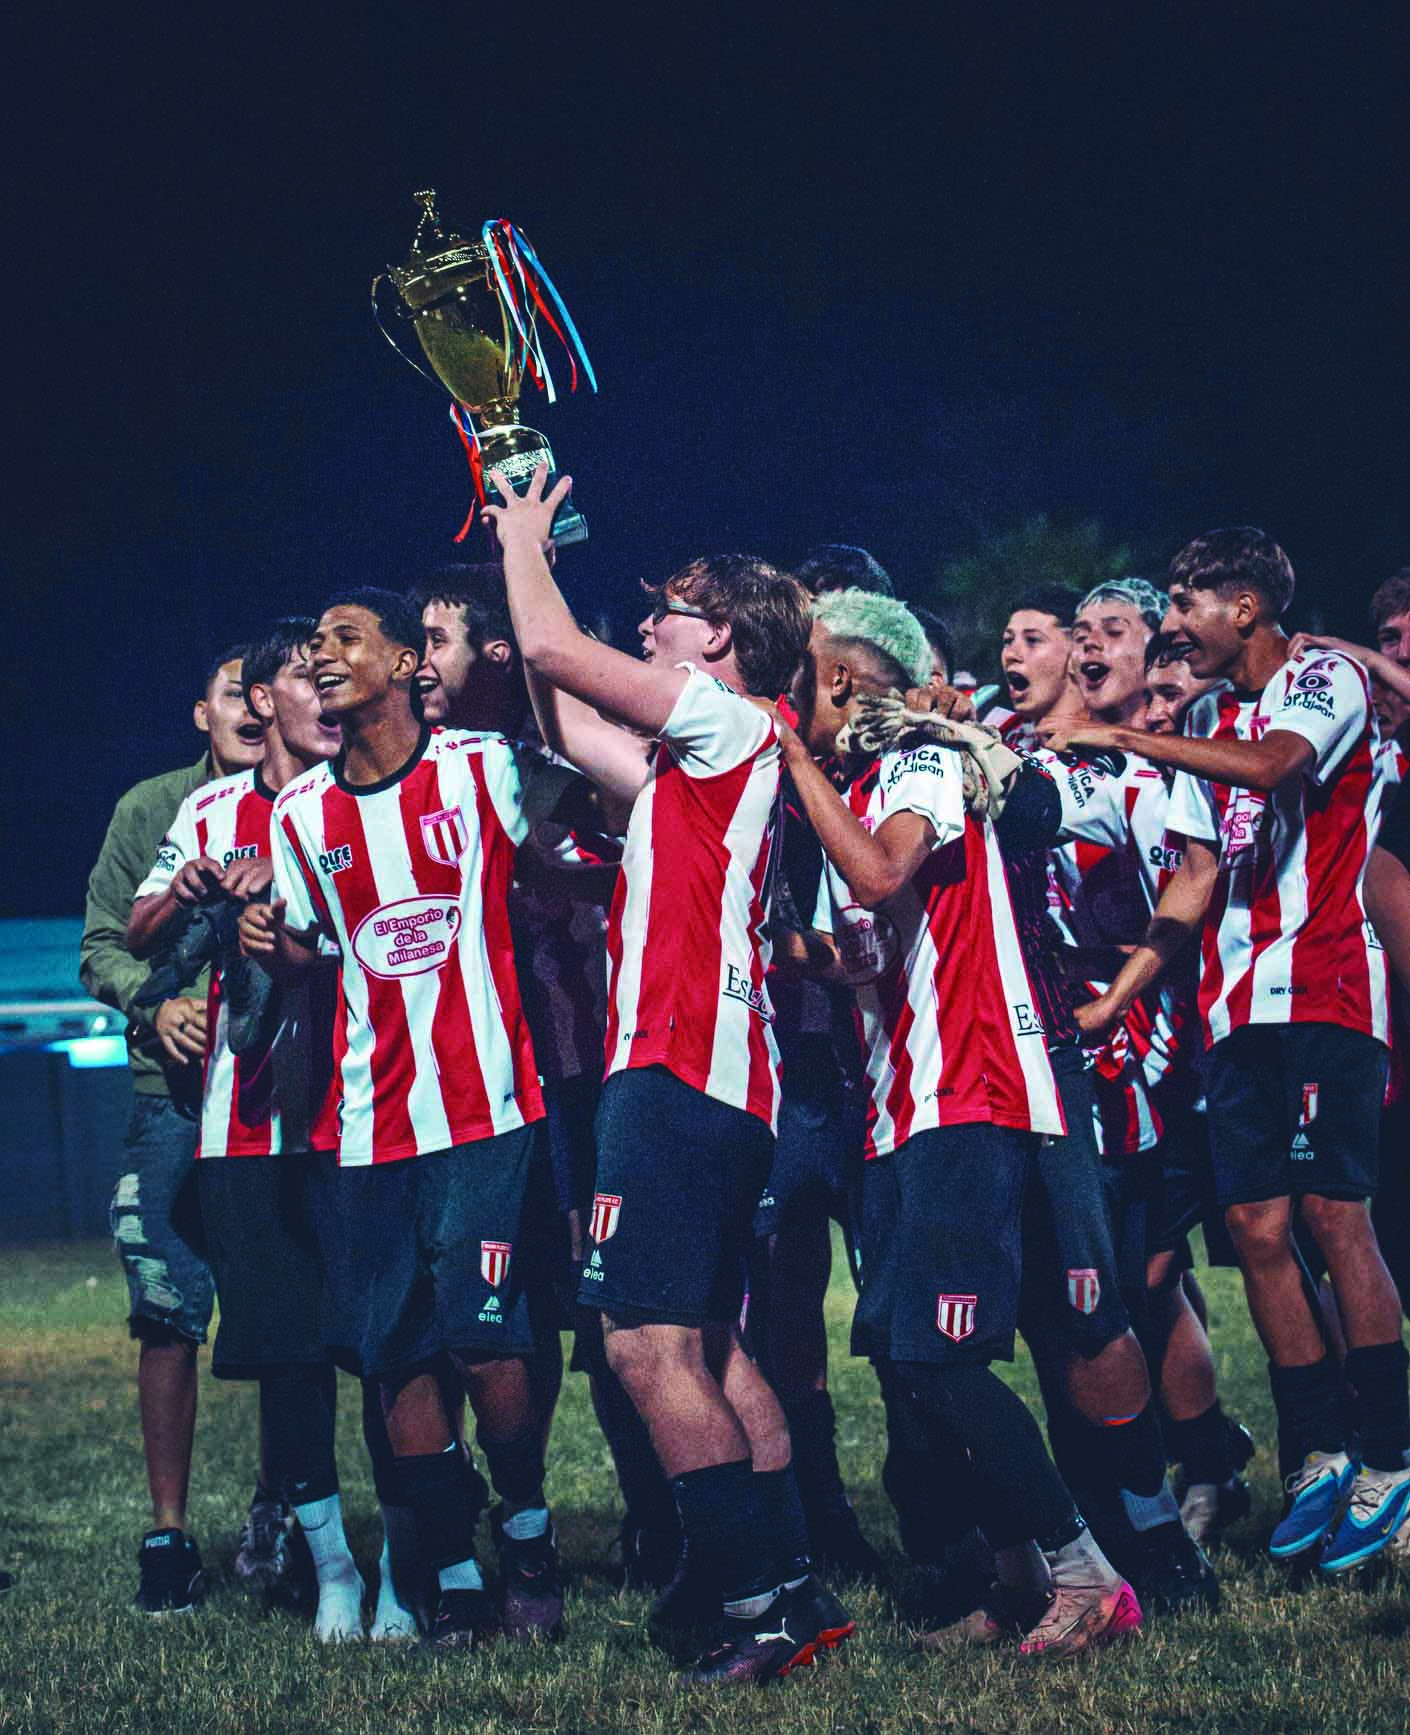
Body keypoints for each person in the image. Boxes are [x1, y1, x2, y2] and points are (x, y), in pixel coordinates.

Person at [487, 465, 852, 1686]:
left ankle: (756, 1605)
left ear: (730, 639)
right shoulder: (705, 762)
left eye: (675, 609)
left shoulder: (723, 715)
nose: (652, 625)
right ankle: (791, 1583)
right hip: (719, 1080)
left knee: (643, 1346)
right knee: (706, 1340)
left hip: (678, 1066)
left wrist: (524, 536)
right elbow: (563, 707)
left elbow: (552, 641)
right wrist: (536, 610)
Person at [780, 585, 1142, 1659]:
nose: (784, 697)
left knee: (943, 1357)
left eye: (796, 674)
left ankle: (1093, 1574)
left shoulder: (922, 757)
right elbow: (865, 944)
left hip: (970, 1088)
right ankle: (1016, 1579)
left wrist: (788, 764)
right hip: (904, 1101)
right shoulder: (860, 781)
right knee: (900, 1354)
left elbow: (886, 867)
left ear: (840, 677)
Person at [1049, 527, 1410, 1574]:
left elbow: (1275, 766)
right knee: (1254, 1225)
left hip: (1330, 987)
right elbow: (1196, 877)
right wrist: (1121, 992)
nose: (1172, 623)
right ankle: (1322, 1451)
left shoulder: (1321, 678)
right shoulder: (1212, 719)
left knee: (1334, 1217)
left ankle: (1388, 1451)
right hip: (1237, 1011)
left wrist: (1129, 742)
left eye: (1183, 600)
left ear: (1244, 604)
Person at [243, 586, 584, 1650]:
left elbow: (567, 850)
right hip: (367, 1130)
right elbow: (313, 946)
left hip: (488, 1110)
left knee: (488, 1343)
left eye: (347, 637)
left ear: (403, 662)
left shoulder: (479, 768)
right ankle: (453, 1574)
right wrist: (272, 940)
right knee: (399, 1360)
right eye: (315, 642)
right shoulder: (300, 815)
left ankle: (523, 1527)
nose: (324, 653)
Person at [127, 619, 426, 1643]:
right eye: (304, 673)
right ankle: (334, 1569)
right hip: (243, 1127)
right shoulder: (214, 808)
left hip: (359, 1120)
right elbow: (135, 929)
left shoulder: (367, 789)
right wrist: (198, 886)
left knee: (388, 1351)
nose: (324, 683)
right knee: (290, 1360)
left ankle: (408, 1569)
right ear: (264, 702)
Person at [415, 564, 680, 1586]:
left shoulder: (563, 762)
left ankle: (664, 1520)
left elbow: (616, 871)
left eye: (435, 640)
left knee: (612, 1309)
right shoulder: (415, 772)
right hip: (476, 1094)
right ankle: (506, 1526)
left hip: (581, 1074)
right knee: (489, 1319)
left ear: (493, 649)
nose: (418, 662)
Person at [80, 647, 267, 1614]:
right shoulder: (153, 807)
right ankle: (169, 1533)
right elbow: (101, 943)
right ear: (202, 710)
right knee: (165, 1307)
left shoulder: (319, 794)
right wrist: (153, 1009)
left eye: (263, 690)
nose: (250, 705)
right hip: (171, 1096)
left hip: (284, 1096)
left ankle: (287, 1504)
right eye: (233, 690)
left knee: (288, 1314)